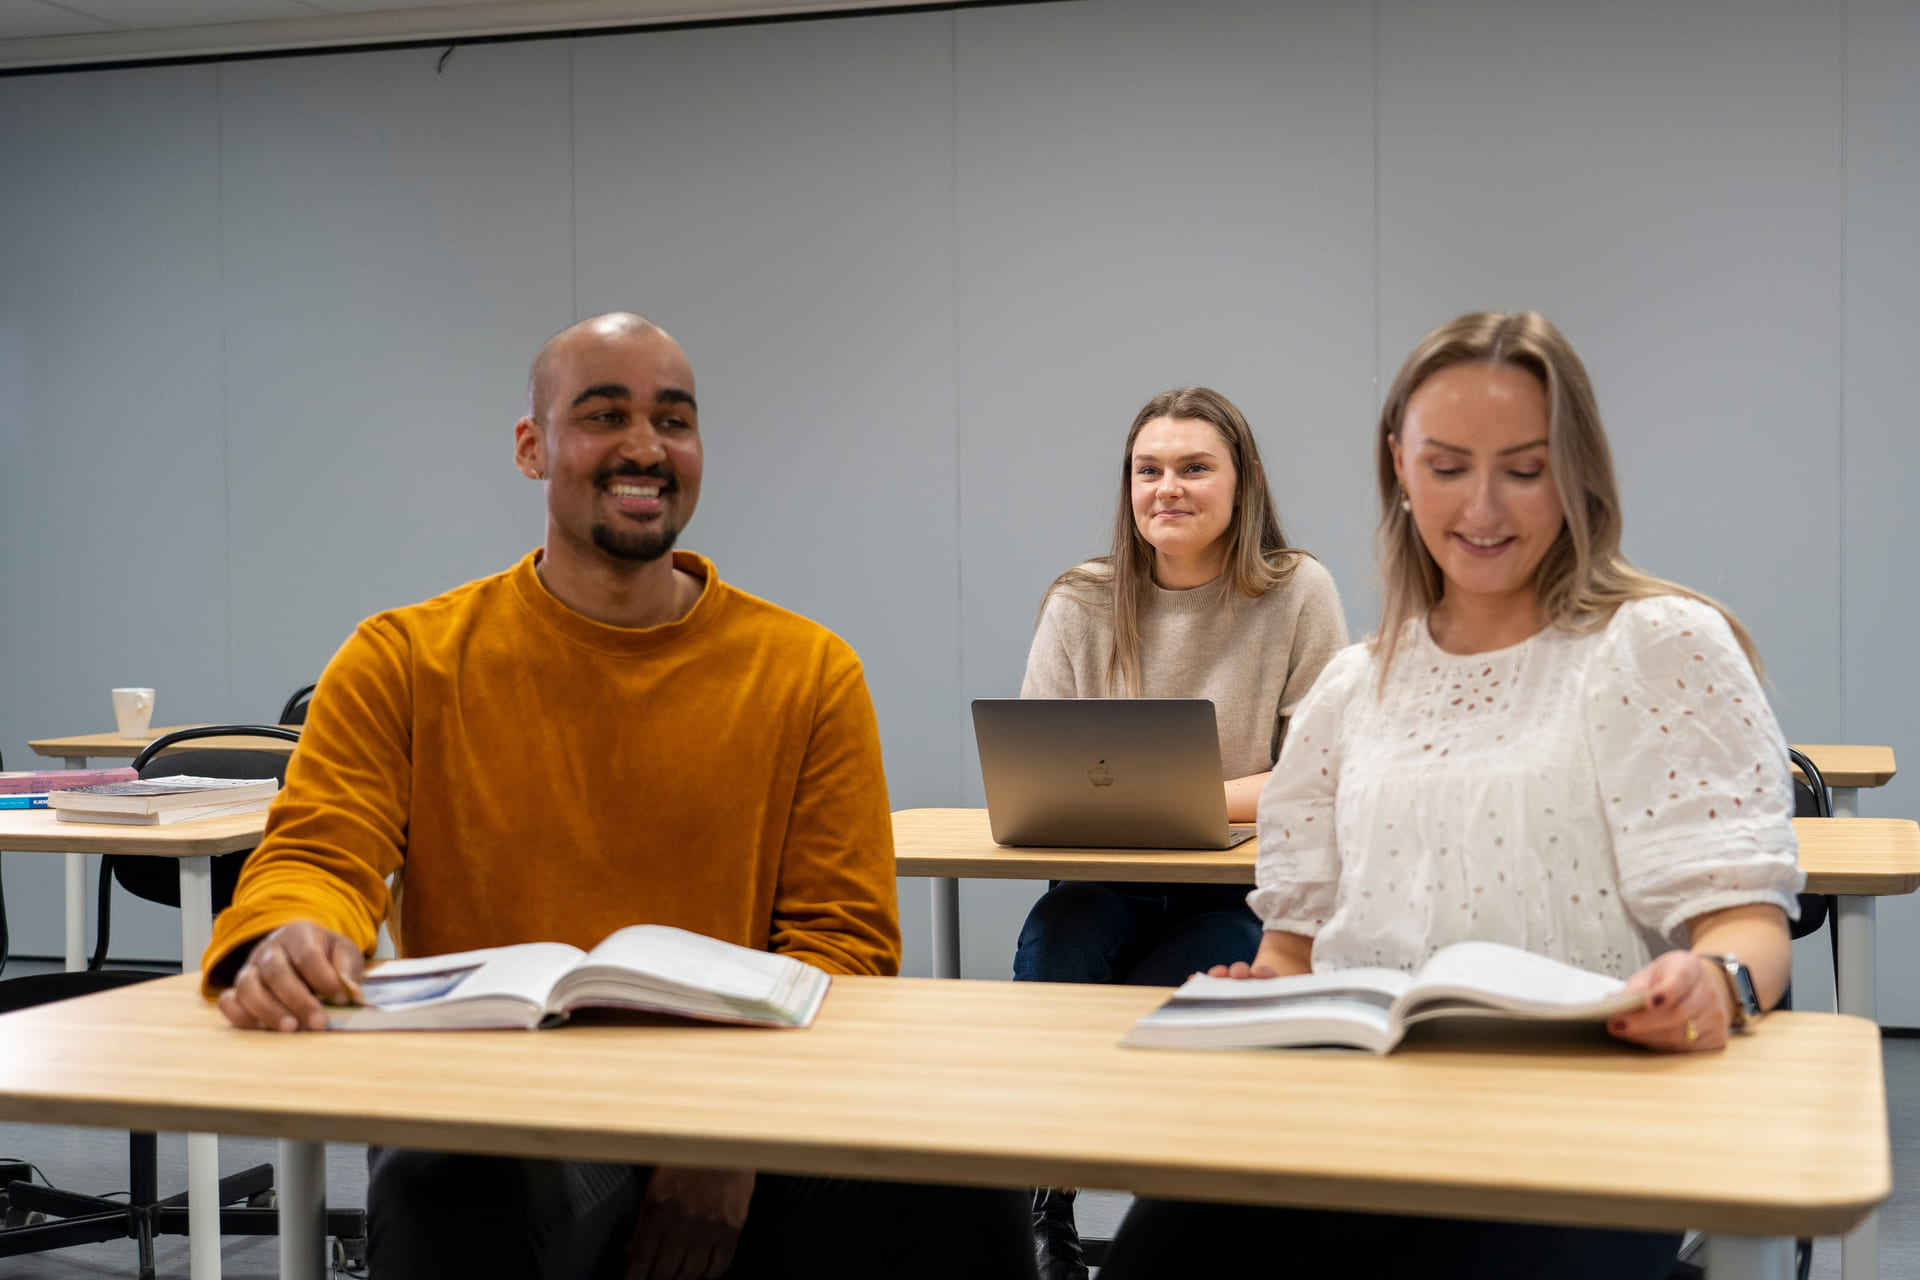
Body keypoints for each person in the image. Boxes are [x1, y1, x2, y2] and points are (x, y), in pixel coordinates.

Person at [201, 312, 1035, 1280]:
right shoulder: (402, 657)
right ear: (532, 447)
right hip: (511, 1109)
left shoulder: (809, 671)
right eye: (603, 415)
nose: (645, 447)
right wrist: (292, 930)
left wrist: (725, 1130)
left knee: (966, 1173)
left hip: (745, 1088)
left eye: (673, 421)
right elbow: (318, 852)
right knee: (448, 1193)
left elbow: (842, 948)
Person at [1099, 312, 1804, 1280]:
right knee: (1157, 1256)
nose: (1484, 506)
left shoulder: (1658, 645)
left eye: (1523, 468)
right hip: (1356, 1114)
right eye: (1446, 466)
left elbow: (1748, 925)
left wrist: (1715, 983)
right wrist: (1261, 989)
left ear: (1578, 472)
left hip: (1580, 1125)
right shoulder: (1355, 686)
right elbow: (1293, 949)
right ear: (1398, 463)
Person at [1011, 386, 1347, 1279]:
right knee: (1052, 951)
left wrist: (1183, 794)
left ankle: (1175, 1236)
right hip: (1096, 881)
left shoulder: (1298, 591)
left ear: (1243, 484)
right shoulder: (1081, 599)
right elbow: (1036, 757)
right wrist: (1207, 791)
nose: (1169, 487)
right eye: (1148, 469)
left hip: (1233, 890)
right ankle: (1044, 1216)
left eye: (1195, 467)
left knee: (1179, 1006)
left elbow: (1321, 770)